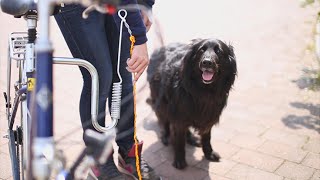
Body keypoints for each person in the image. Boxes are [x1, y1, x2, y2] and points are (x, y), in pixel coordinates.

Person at [54, 0, 160, 179]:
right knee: (99, 78)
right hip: (76, 4)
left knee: (123, 75)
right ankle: (98, 158)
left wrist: (144, 5)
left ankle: (128, 152)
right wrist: (140, 39)